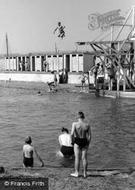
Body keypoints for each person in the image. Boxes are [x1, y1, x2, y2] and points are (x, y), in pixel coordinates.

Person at [70, 111, 91, 178]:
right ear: (83, 117)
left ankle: (76, 173)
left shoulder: (74, 124)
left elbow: (72, 134)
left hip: (77, 141)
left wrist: (72, 142)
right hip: (84, 141)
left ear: (78, 117)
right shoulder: (87, 125)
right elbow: (90, 136)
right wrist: (88, 143)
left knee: (77, 158)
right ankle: (85, 173)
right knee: (84, 158)